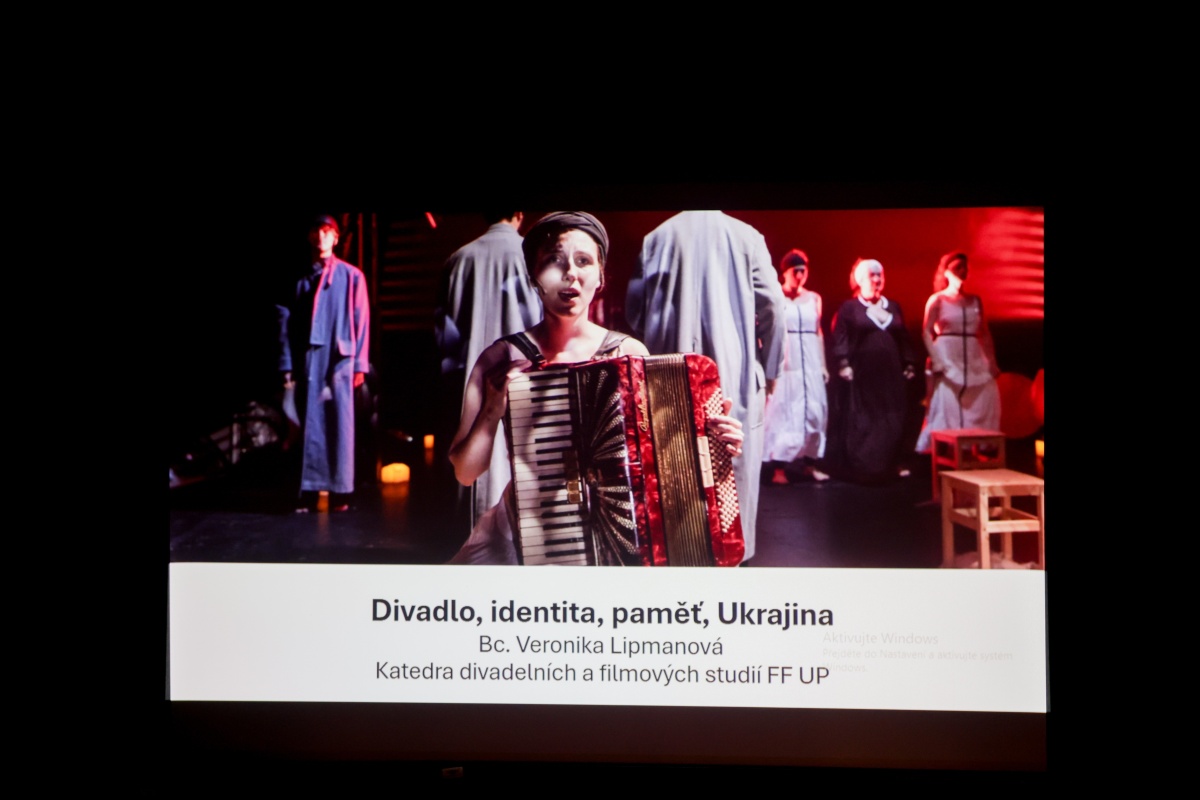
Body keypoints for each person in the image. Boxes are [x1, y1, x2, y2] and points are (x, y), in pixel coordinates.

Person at [447, 211, 744, 565]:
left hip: (619, 539)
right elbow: (465, 473)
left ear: (601, 275)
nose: (570, 273)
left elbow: (666, 461)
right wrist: (492, 409)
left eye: (584, 261)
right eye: (553, 260)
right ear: (534, 275)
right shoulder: (501, 358)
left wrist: (713, 443)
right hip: (528, 536)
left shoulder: (630, 354)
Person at [625, 210, 785, 563]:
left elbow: (635, 313)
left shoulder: (656, 238)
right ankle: (734, 567)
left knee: (674, 489)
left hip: (668, 378)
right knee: (734, 488)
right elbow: (773, 306)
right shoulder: (746, 237)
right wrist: (770, 368)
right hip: (735, 377)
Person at [436, 211, 541, 526]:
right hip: (524, 377)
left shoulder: (458, 260)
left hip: (470, 378)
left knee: (472, 468)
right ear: (519, 214)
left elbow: (446, 336)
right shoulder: (532, 254)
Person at [277, 215, 370, 512]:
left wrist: (360, 364)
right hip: (308, 362)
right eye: (317, 231)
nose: (321, 237)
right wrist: (287, 363)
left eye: (327, 231)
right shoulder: (300, 279)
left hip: (339, 361)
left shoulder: (352, 276)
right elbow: (285, 323)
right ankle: (308, 490)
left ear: (336, 238)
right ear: (310, 237)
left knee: (339, 426)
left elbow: (362, 321)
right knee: (306, 425)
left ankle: (340, 490)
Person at [825, 258, 916, 484]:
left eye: (879, 275)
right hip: (863, 376)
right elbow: (841, 336)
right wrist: (843, 363)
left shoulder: (892, 306)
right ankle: (864, 467)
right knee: (864, 419)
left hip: (890, 374)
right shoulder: (850, 308)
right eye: (871, 276)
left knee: (891, 417)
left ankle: (889, 464)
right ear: (860, 280)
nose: (876, 280)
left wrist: (909, 363)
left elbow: (903, 337)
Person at [915, 252, 1001, 453]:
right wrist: (936, 359)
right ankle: (947, 446)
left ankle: (977, 443)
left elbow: (985, 332)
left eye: (965, 267)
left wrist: (991, 361)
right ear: (946, 272)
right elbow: (926, 331)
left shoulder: (975, 300)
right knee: (948, 398)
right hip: (947, 352)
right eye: (957, 268)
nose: (962, 271)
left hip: (972, 352)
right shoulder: (938, 299)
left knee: (984, 391)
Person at [762, 249, 829, 484]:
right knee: (783, 412)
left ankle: (810, 464)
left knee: (814, 412)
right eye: (795, 271)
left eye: (803, 271)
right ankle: (779, 468)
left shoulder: (814, 298)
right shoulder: (776, 297)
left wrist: (823, 364)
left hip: (810, 362)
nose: (800, 276)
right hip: (787, 361)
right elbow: (767, 331)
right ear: (786, 272)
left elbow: (818, 332)